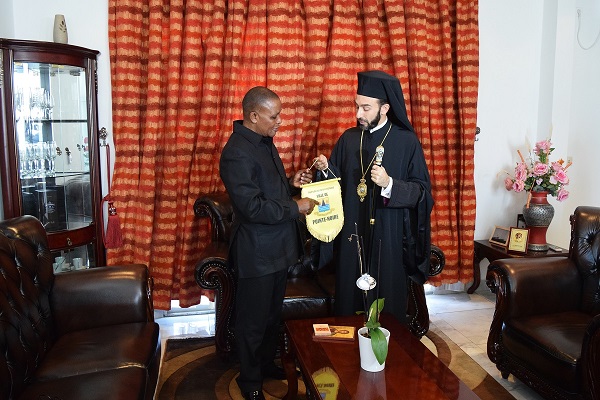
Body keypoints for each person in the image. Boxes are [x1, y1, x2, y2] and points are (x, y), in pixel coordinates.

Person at [220, 86, 318, 400]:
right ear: (254, 115)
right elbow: (252, 207)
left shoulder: (263, 142)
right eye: (273, 116)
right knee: (253, 322)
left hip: (277, 247)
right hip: (257, 252)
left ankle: (264, 365)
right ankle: (250, 382)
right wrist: (295, 207)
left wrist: (290, 184)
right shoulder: (236, 152)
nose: (279, 121)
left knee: (271, 316)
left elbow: (267, 190)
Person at [312, 70, 433, 324]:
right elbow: (337, 184)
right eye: (357, 106)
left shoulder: (406, 142)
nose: (359, 114)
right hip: (351, 235)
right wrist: (325, 170)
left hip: (388, 237)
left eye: (366, 108)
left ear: (385, 108)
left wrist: (390, 184)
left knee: (386, 309)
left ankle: (386, 346)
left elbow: (422, 193)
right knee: (349, 305)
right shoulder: (348, 139)